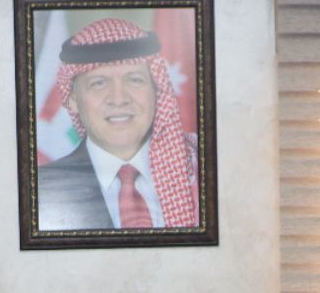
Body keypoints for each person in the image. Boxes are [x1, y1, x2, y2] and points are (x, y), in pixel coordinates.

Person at [36, 17, 201, 232]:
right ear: (73, 100)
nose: (118, 98)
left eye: (134, 80)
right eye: (99, 83)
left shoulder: (200, 170)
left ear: (157, 90)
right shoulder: (43, 189)